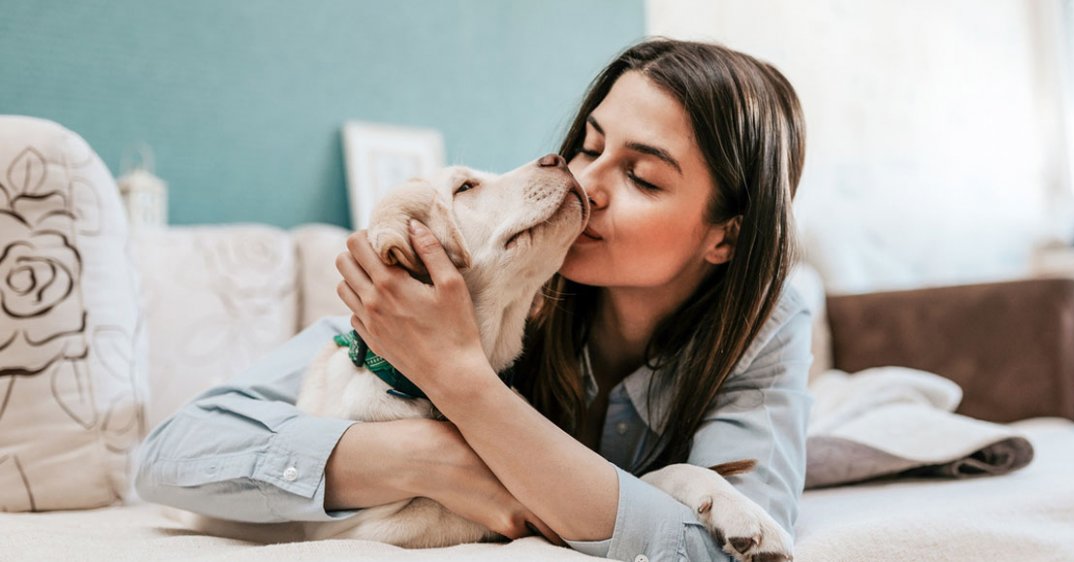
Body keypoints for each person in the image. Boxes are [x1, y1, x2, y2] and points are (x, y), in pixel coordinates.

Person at [134, 37, 813, 562]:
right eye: (589, 145)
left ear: (726, 236)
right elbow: (171, 455)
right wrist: (433, 457)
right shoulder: (482, 286)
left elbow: (720, 545)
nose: (586, 181)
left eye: (641, 176)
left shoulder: (764, 325)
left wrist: (460, 381)